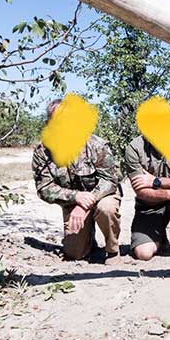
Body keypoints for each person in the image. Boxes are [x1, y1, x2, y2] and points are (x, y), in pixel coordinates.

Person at [32, 99, 122, 264]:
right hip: (72, 201)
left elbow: (110, 180)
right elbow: (44, 188)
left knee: (106, 209)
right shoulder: (43, 152)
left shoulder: (96, 145)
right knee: (74, 253)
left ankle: (112, 251)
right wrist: (76, 197)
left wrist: (84, 203)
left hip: (102, 195)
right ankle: (88, 241)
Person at [123, 133, 170, 261]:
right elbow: (141, 191)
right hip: (149, 205)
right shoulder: (135, 147)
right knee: (143, 254)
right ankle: (160, 238)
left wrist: (156, 181)